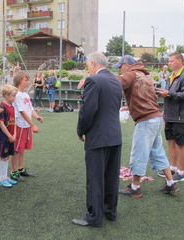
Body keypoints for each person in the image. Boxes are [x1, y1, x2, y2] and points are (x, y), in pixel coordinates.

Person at [113, 55, 179, 198]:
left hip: (146, 121)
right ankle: (170, 184)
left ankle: (135, 188)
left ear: (127, 65)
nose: (119, 69)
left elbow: (116, 83)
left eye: (120, 66)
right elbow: (143, 98)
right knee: (158, 152)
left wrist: (96, 79)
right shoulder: (144, 76)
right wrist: (130, 108)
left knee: (138, 154)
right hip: (156, 118)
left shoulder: (130, 74)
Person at [72, 52, 122, 227]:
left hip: (98, 137)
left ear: (93, 63)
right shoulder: (116, 80)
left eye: (87, 64)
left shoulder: (94, 81)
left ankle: (94, 217)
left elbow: (88, 111)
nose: (87, 67)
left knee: (95, 178)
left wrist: (80, 130)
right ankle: (110, 211)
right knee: (111, 177)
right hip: (115, 136)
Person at [157, 52, 184, 182]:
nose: (169, 63)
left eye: (172, 61)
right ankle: (173, 168)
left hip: (181, 117)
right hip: (170, 116)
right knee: (171, 142)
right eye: (169, 61)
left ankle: (181, 172)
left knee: (181, 144)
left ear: (180, 61)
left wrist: (169, 94)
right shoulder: (172, 76)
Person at [10, 72, 43, 181]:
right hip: (19, 124)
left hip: (25, 125)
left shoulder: (26, 95)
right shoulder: (17, 95)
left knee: (22, 148)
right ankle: (14, 171)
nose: (28, 82)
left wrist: (36, 116)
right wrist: (33, 125)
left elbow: (30, 109)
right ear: (19, 81)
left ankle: (21, 168)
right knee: (15, 149)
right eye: (26, 80)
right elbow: (22, 112)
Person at [0, 84, 18, 188]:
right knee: (3, 157)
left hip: (10, 137)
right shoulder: (2, 107)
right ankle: (1, 179)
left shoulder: (12, 106)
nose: (15, 97)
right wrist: (9, 135)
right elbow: (1, 124)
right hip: (4, 137)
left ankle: (5, 177)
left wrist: (14, 134)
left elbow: (13, 122)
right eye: (13, 95)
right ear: (6, 95)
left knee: (7, 156)